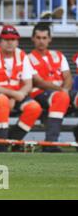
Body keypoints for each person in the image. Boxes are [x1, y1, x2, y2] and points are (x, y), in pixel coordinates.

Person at [0, 25, 42, 152]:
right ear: (0, 40)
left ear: (17, 41)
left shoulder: (22, 55)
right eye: (6, 39)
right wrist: (13, 94)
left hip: (17, 94)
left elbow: (28, 84)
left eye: (13, 39)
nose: (10, 42)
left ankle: (13, 141)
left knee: (34, 108)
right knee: (2, 100)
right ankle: (1, 145)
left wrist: (18, 95)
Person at [28, 24, 77, 152]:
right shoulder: (27, 58)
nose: (41, 41)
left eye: (44, 38)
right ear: (32, 38)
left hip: (62, 92)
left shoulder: (58, 55)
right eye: (38, 37)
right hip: (40, 94)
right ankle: (50, 144)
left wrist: (65, 91)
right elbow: (39, 82)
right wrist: (62, 92)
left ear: (50, 39)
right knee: (60, 98)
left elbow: (68, 77)